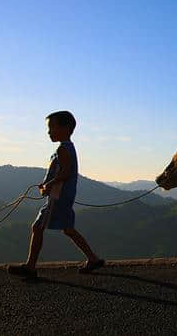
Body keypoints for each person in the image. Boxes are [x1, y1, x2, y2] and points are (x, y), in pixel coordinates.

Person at [8, 111, 104, 278]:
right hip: (63, 197)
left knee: (37, 227)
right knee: (68, 229)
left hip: (57, 198)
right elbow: (64, 172)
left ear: (65, 128)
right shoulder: (68, 148)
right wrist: (47, 184)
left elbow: (65, 173)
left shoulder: (62, 149)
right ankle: (93, 259)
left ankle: (30, 267)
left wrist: (48, 185)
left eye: (52, 127)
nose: (49, 132)